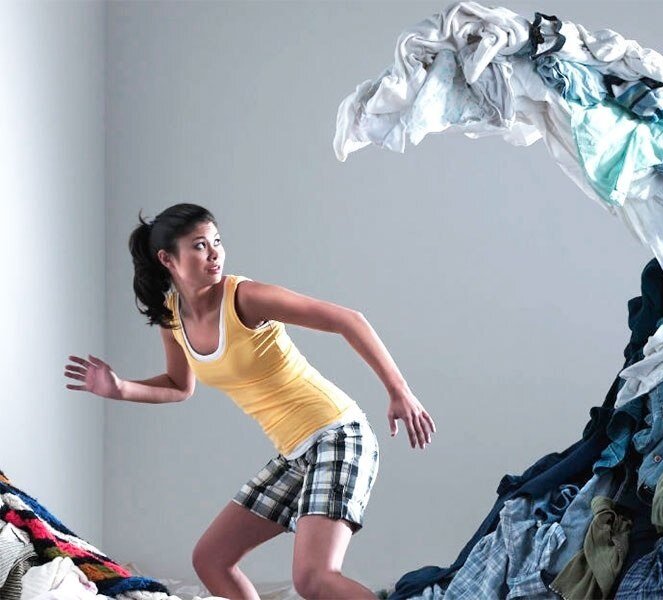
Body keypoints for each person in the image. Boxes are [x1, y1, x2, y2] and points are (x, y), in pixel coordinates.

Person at [64, 203, 435, 600]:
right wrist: (120, 389)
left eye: (217, 242)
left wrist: (399, 391)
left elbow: (349, 319)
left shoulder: (244, 297)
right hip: (295, 452)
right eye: (199, 246)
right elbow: (178, 385)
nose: (214, 254)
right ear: (167, 259)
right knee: (211, 560)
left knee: (314, 578)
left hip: (338, 434)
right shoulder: (172, 318)